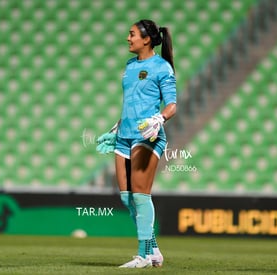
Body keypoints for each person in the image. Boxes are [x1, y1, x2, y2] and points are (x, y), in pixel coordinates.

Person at [97, 19, 176, 268]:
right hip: (125, 135)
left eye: (132, 34)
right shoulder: (130, 65)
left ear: (147, 39)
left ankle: (143, 256)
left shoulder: (162, 67)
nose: (128, 38)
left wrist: (159, 118)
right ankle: (154, 251)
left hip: (147, 136)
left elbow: (172, 105)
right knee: (126, 197)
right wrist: (118, 124)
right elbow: (132, 100)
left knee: (141, 195)